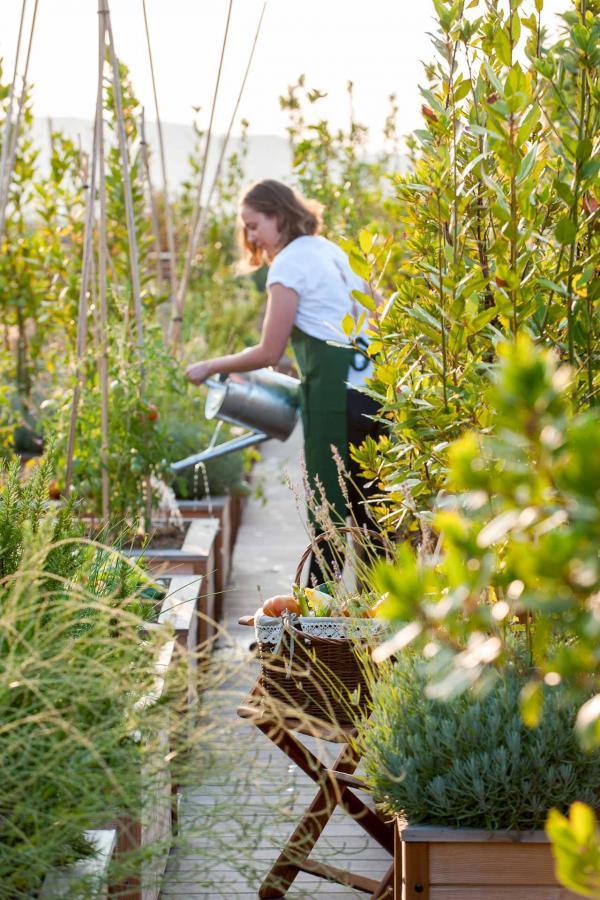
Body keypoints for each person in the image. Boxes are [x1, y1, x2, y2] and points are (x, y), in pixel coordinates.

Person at [186, 179, 383, 583]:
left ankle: (316, 623)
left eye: (253, 224)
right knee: (373, 522)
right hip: (375, 392)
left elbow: (269, 352)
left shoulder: (289, 265)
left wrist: (210, 366)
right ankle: (383, 628)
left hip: (336, 401)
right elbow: (376, 313)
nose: (250, 236)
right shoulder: (332, 251)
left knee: (330, 515)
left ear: (277, 215)